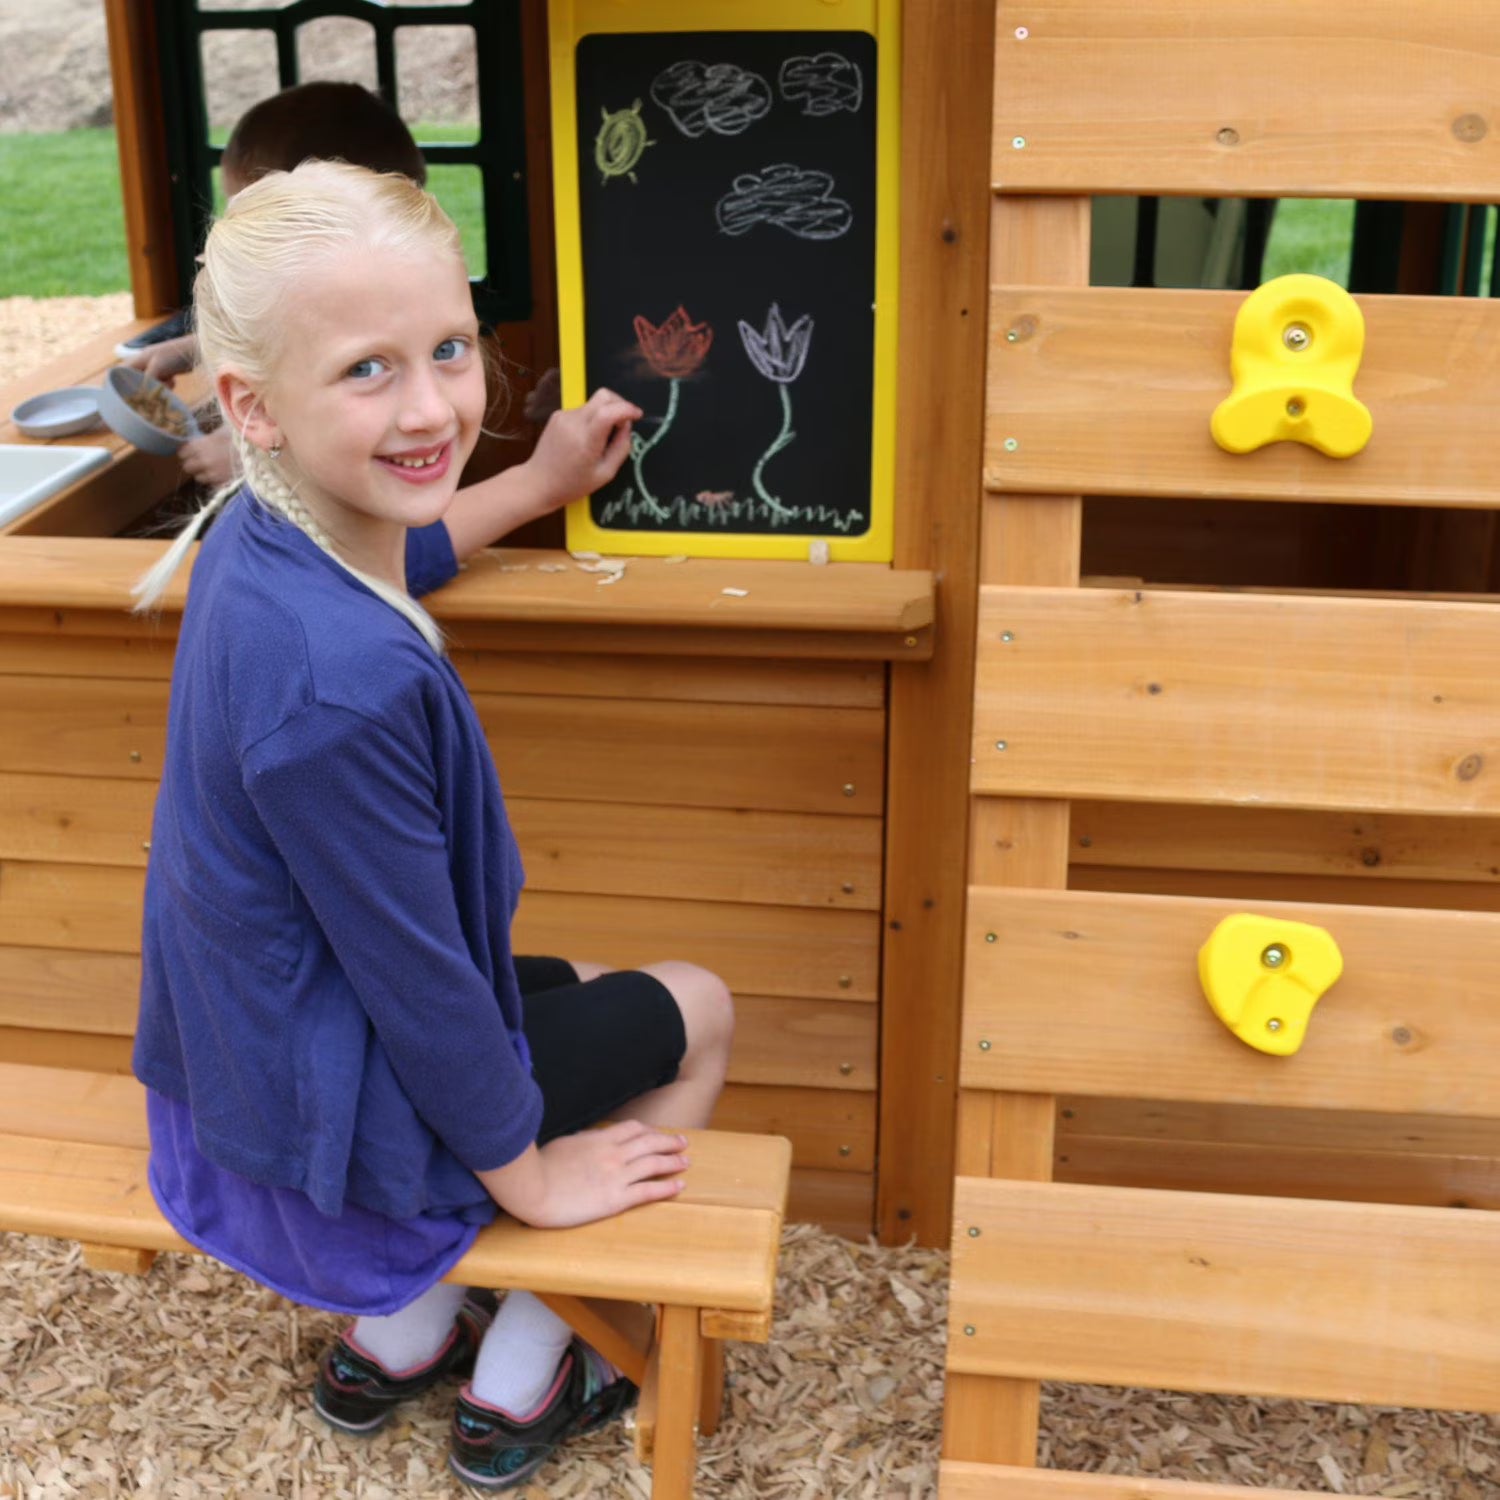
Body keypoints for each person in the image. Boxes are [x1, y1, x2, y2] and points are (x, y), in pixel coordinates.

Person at [130, 160, 735, 1491]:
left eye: (451, 350)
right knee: (693, 1003)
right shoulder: (338, 690)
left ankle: (398, 1347)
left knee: (573, 990)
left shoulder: (256, 536)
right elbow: (427, 993)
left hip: (254, 1072)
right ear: (253, 405)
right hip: (331, 1147)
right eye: (369, 371)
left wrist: (537, 481)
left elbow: (393, 544)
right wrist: (531, 1179)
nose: (432, 407)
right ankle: (528, 1368)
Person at [123, 81, 430, 489]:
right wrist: (191, 351)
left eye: (256, 216)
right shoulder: (328, 284)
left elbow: (358, 409)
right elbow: (295, 343)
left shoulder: (388, 301)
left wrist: (249, 455)